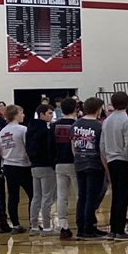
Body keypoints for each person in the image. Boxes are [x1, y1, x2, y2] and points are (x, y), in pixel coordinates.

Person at [71, 97, 109, 240]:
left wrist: (79, 159)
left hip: (79, 163)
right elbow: (102, 150)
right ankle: (88, 229)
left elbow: (73, 146)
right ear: (98, 109)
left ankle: (82, 228)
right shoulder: (99, 126)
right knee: (91, 197)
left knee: (82, 196)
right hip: (95, 164)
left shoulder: (76, 124)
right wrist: (106, 169)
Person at [102, 92, 128, 240]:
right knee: (123, 197)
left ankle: (113, 229)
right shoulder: (127, 121)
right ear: (127, 103)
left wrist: (107, 160)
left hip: (111, 160)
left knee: (116, 195)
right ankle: (120, 230)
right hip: (124, 161)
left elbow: (102, 144)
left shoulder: (107, 121)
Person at [0, 105, 31, 234]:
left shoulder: (1, 132)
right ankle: (33, 223)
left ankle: (16, 225)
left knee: (13, 196)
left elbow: (0, 151)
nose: (23, 115)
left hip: (8, 166)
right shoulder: (22, 130)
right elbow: (28, 148)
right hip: (22, 166)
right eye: (21, 113)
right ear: (15, 115)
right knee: (33, 195)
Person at [25, 103, 56, 236]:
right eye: (49, 113)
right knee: (47, 198)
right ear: (42, 114)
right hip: (46, 166)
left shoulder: (29, 130)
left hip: (34, 166)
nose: (51, 116)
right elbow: (49, 149)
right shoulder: (45, 131)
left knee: (36, 197)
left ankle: (34, 226)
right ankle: (47, 227)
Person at [52, 98, 79, 240]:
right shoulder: (76, 125)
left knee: (62, 197)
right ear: (75, 109)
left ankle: (64, 226)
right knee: (80, 195)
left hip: (59, 163)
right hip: (73, 163)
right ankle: (82, 225)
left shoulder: (54, 126)